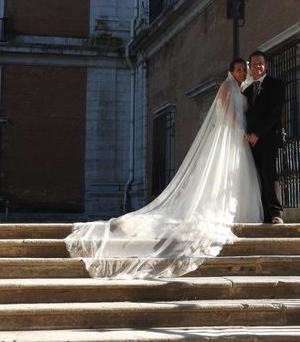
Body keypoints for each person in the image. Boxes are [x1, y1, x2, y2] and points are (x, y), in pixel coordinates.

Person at [64, 58, 263, 279]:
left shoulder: (242, 88)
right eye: (238, 69)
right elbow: (226, 111)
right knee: (220, 173)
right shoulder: (226, 86)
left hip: (238, 139)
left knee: (232, 176)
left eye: (243, 70)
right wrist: (241, 129)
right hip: (230, 135)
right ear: (230, 71)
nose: (241, 72)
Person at [243, 50, 284, 224]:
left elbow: (275, 113)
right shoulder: (247, 91)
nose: (257, 67)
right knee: (256, 176)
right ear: (250, 67)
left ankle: (276, 213)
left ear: (266, 65)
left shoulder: (276, 84)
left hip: (268, 139)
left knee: (269, 174)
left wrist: (257, 134)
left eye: (260, 63)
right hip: (250, 142)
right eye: (254, 64)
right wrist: (247, 135)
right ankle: (264, 215)